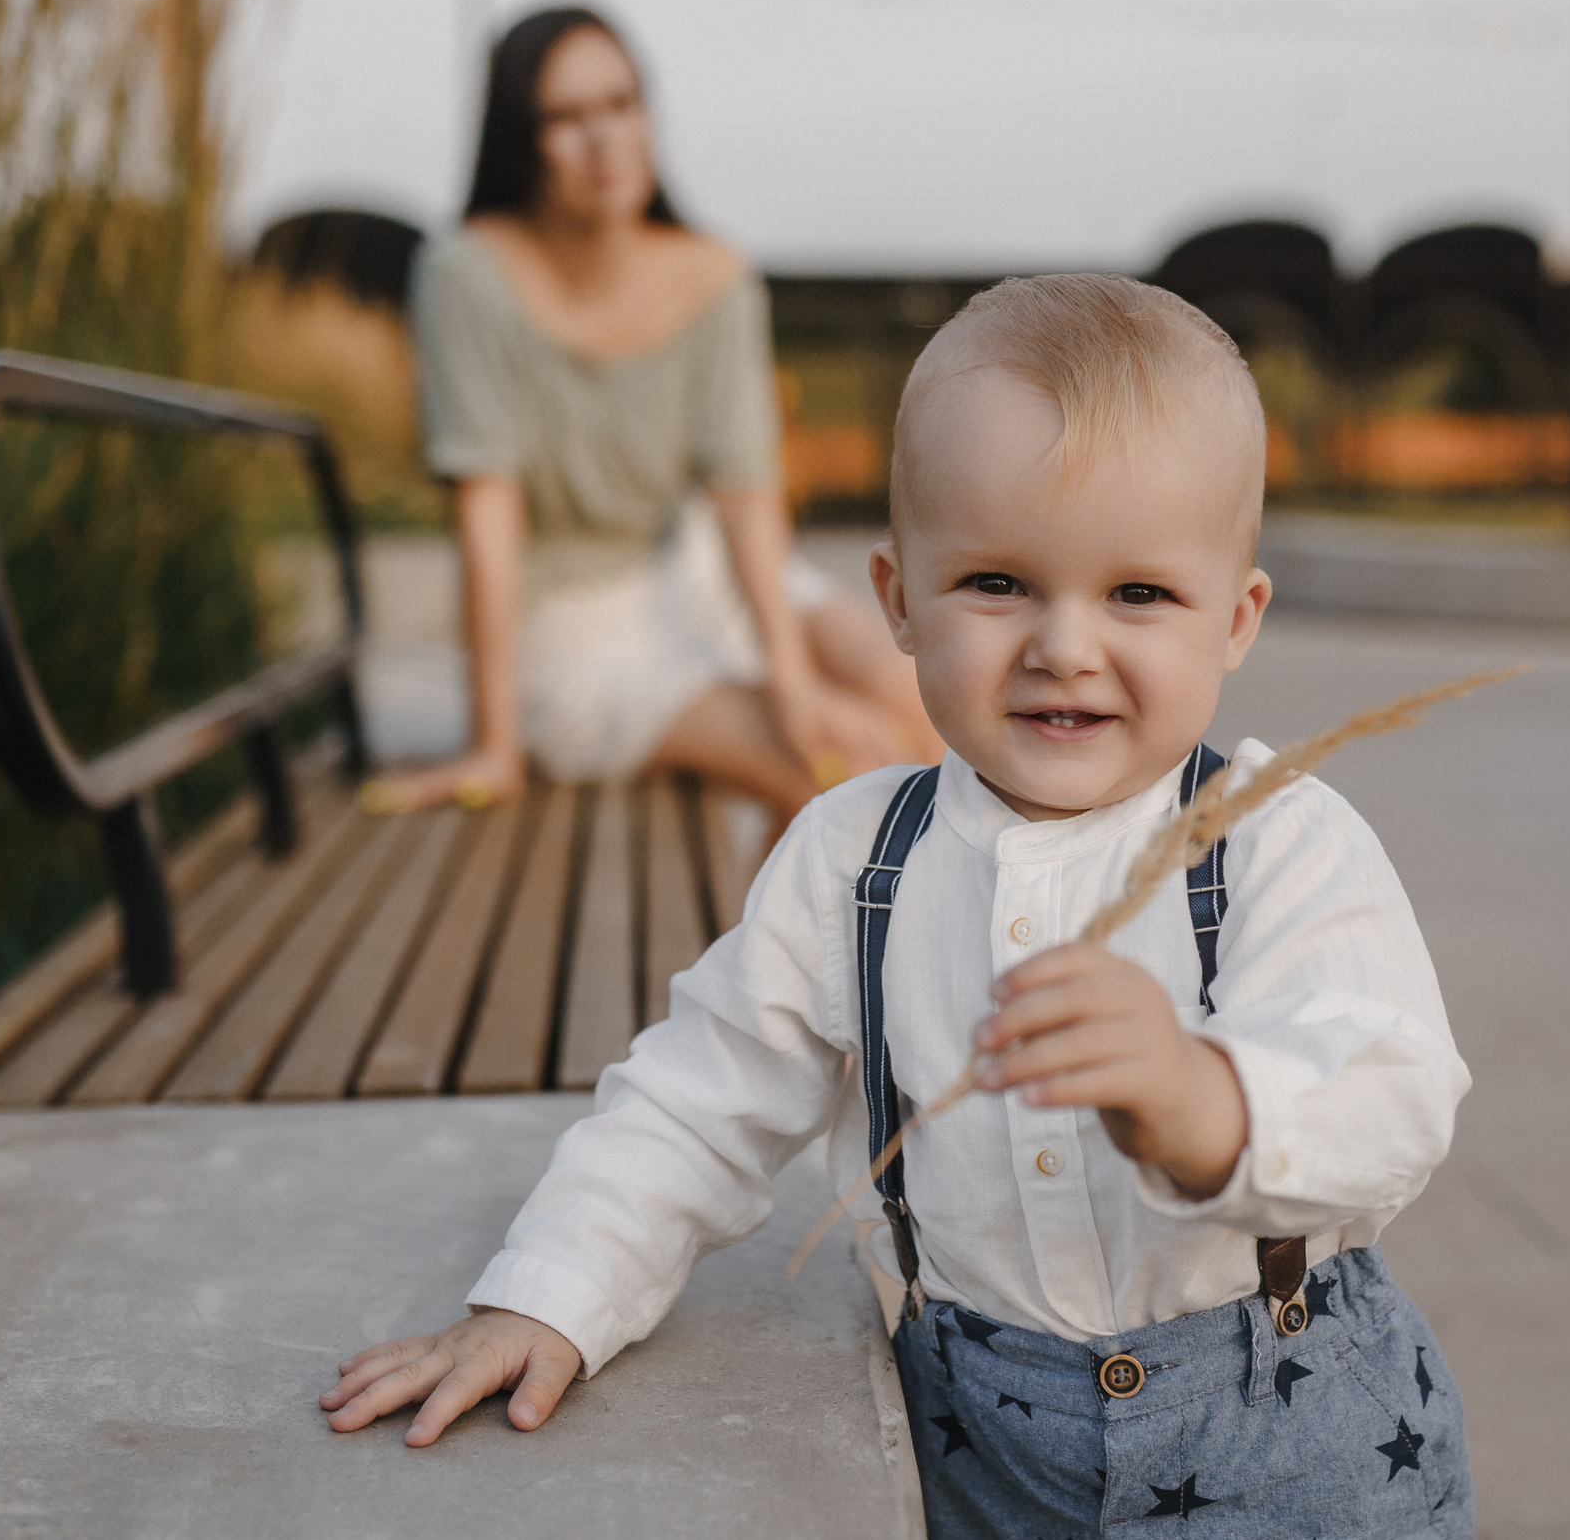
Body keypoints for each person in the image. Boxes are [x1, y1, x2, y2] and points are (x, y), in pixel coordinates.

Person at [323, 276, 1475, 1537]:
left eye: (1137, 594)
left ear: (1236, 619)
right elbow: (697, 1096)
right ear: (897, 603)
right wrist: (548, 1294)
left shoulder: (1273, 838)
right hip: (985, 1450)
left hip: (1288, 1438)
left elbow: (1395, 1089)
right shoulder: (853, 855)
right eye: (996, 583)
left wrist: (1210, 1101)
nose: (1063, 647)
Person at [362, 5, 935, 820]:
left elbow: (745, 492)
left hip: (700, 574)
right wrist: (493, 742)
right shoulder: (466, 274)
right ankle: (794, 946)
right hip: (573, 630)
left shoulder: (715, 275)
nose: (605, 139)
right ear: (519, 138)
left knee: (918, 700)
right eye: (565, 117)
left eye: (622, 103)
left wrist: (792, 679)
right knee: (841, 770)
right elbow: (486, 515)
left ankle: (1020, 944)